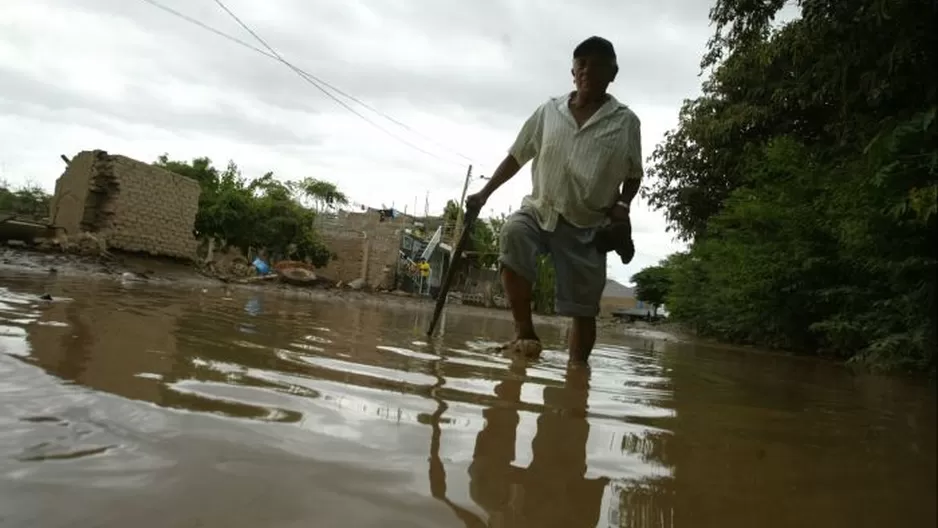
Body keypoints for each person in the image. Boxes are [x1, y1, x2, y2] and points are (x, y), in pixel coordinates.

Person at [466, 36, 642, 364]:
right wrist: (484, 193)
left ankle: (577, 373)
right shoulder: (549, 112)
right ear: (573, 72)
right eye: (582, 64)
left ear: (613, 73)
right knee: (513, 232)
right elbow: (517, 156)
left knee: (584, 310)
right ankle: (524, 331)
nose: (588, 70)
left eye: (598, 64)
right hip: (541, 209)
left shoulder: (626, 122)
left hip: (589, 223)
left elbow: (634, 173)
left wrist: (622, 206)